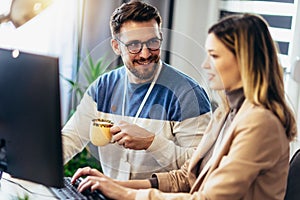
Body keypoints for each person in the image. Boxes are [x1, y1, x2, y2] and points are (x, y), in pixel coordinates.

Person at [70, 13, 298, 199]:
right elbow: (188, 178)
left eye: (214, 56)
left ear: (244, 61)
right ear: (116, 47)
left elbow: (208, 199)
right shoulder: (226, 113)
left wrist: (128, 194)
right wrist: (114, 184)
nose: (205, 65)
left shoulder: (261, 123)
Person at [62, 0, 211, 180]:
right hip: (112, 193)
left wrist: (151, 142)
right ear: (116, 47)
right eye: (133, 45)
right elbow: (70, 139)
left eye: (153, 42)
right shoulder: (103, 87)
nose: (145, 54)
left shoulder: (189, 94)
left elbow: (199, 166)